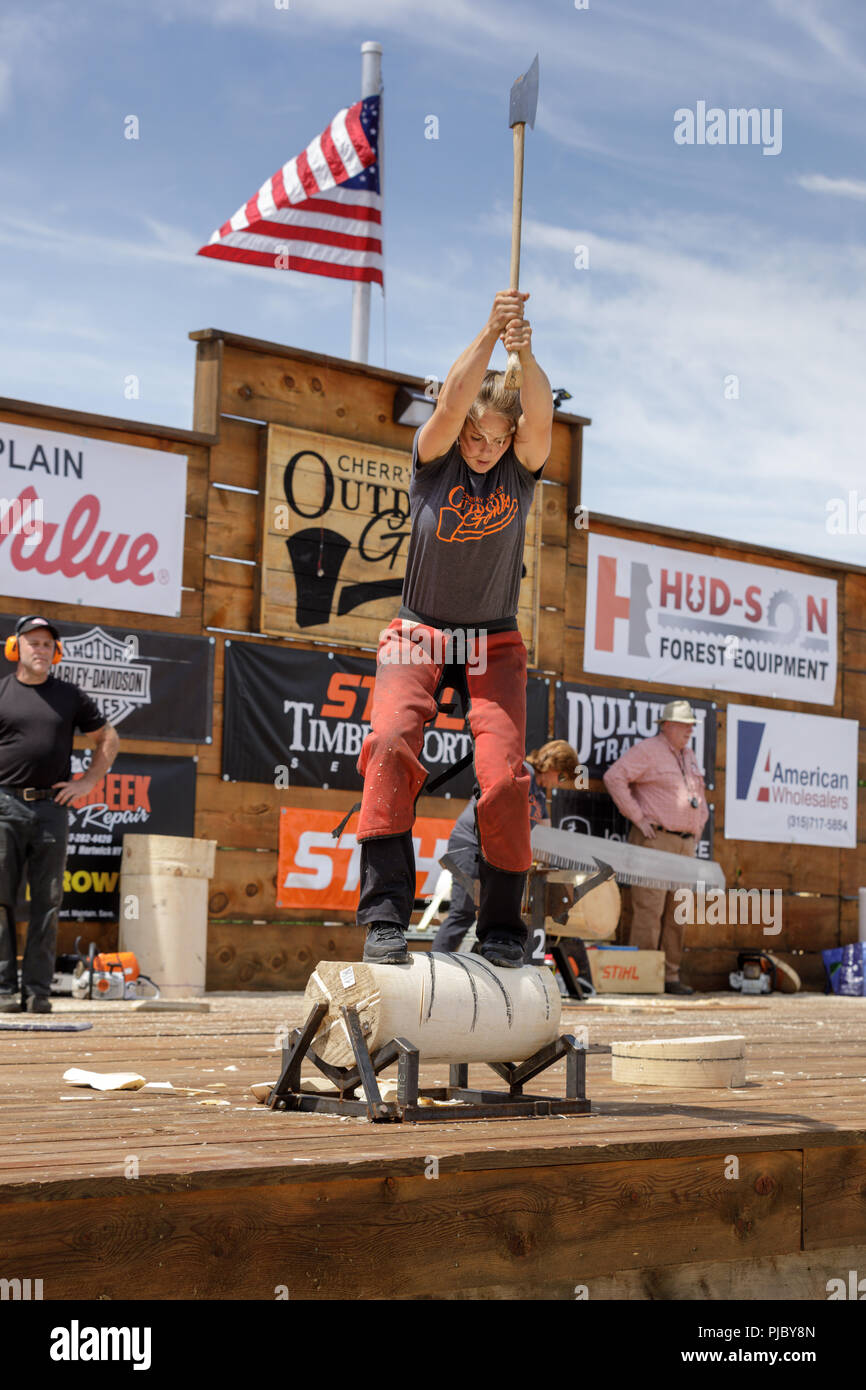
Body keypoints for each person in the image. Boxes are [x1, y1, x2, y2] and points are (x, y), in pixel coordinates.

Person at [355, 289, 553, 968]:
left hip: (493, 639)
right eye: (476, 434)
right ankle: (385, 916)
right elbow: (451, 401)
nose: (483, 446)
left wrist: (523, 349)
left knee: (503, 779)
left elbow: (543, 416)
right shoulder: (434, 461)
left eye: (496, 439)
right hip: (419, 630)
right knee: (387, 744)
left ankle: (502, 926)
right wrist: (490, 331)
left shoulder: (519, 475)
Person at [0, 615, 119, 1013]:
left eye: (47, 644)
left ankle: (37, 992)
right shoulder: (1, 692)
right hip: (4, 806)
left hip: (52, 808)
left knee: (48, 902)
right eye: (32, 642)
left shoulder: (69, 696)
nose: (40, 649)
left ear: (56, 652)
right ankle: (3, 989)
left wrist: (87, 783)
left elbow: (107, 738)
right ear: (15, 647)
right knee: (1, 899)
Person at [431, 740, 580, 955]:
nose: (559, 783)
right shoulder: (523, 772)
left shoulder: (538, 794)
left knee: (487, 913)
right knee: (463, 911)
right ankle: (436, 964)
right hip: (470, 843)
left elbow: (546, 839)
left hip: (488, 848)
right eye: (562, 776)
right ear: (554, 765)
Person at [602, 698, 708, 995]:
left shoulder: (689, 755)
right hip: (655, 839)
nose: (689, 730)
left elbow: (698, 794)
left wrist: (698, 825)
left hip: (684, 843)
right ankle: (644, 977)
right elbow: (614, 777)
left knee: (678, 911)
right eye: (685, 725)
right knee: (649, 908)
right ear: (668, 726)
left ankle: (669, 976)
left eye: (691, 725)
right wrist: (638, 817)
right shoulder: (648, 750)